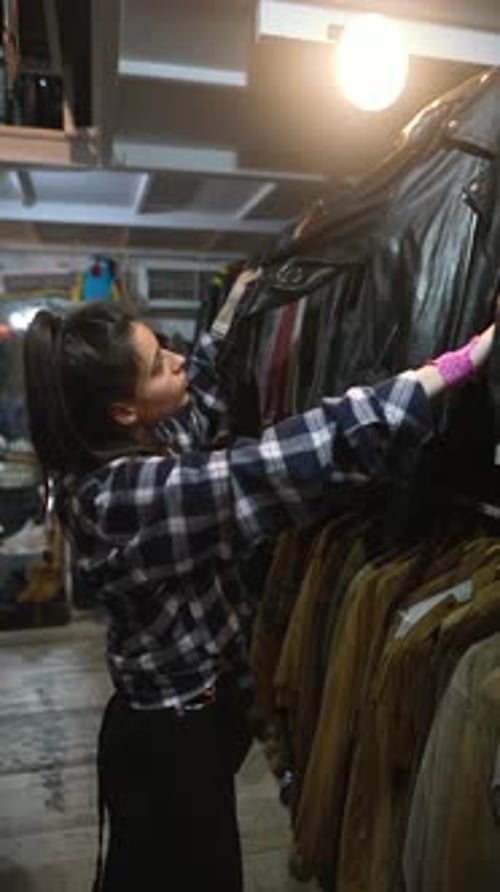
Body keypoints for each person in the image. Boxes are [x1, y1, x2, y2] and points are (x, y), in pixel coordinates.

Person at [23, 268, 494, 892]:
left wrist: (235, 306)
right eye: (159, 362)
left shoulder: (144, 440)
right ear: (123, 408)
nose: (179, 359)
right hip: (171, 744)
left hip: (188, 722)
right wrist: (464, 361)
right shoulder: (122, 499)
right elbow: (277, 463)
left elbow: (205, 391)